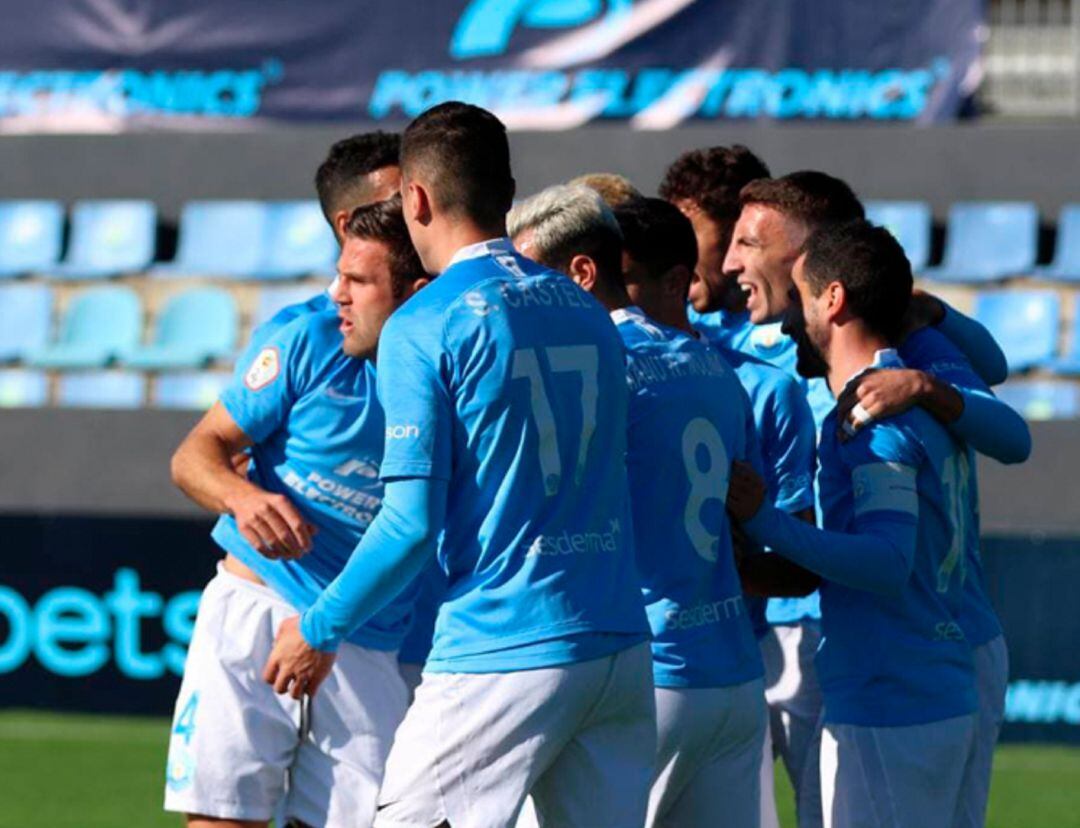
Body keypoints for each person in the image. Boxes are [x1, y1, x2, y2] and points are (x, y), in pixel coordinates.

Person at [263, 102, 655, 828]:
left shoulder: (425, 321)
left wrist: (317, 628)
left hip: (503, 646)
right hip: (619, 648)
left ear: (413, 198)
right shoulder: (584, 308)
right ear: (506, 195)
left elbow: (409, 526)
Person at [164, 199, 430, 828]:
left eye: (358, 282)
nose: (337, 294)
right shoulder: (309, 339)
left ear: (416, 292)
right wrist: (243, 497)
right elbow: (196, 453)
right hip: (253, 607)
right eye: (340, 274)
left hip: (366, 638)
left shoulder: (453, 375)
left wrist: (325, 629)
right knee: (222, 820)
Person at [509, 185, 767, 827]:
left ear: (583, 270)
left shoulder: (597, 366)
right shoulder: (713, 367)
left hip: (650, 674)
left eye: (531, 277)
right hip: (732, 673)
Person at [727, 220, 979, 828]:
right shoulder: (906, 401)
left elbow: (886, 563)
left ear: (832, 301)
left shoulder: (875, 420)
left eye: (800, 299)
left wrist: (764, 519)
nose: (789, 322)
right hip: (921, 692)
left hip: (894, 705)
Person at [255, 131, 403, 341]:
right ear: (348, 226)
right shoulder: (288, 340)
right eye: (398, 203)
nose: (417, 211)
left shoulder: (451, 307)